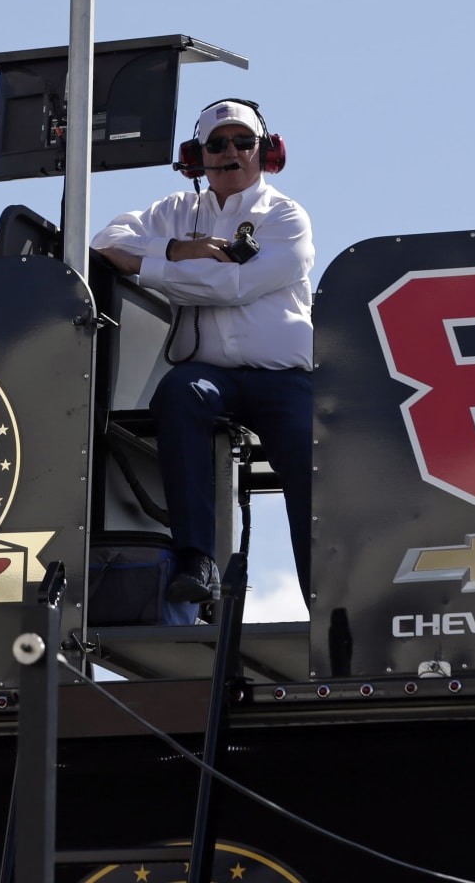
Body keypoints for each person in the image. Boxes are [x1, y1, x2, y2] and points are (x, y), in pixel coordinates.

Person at [91, 99, 314, 604]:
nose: (230, 152)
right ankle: (197, 560)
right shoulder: (174, 212)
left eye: (243, 142)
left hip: (285, 378)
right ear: (197, 156)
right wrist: (177, 249)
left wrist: (149, 267)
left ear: (265, 151)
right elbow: (106, 241)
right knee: (178, 394)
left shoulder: (287, 215)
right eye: (217, 144)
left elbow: (234, 286)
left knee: (308, 455)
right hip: (210, 375)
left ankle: (324, 599)